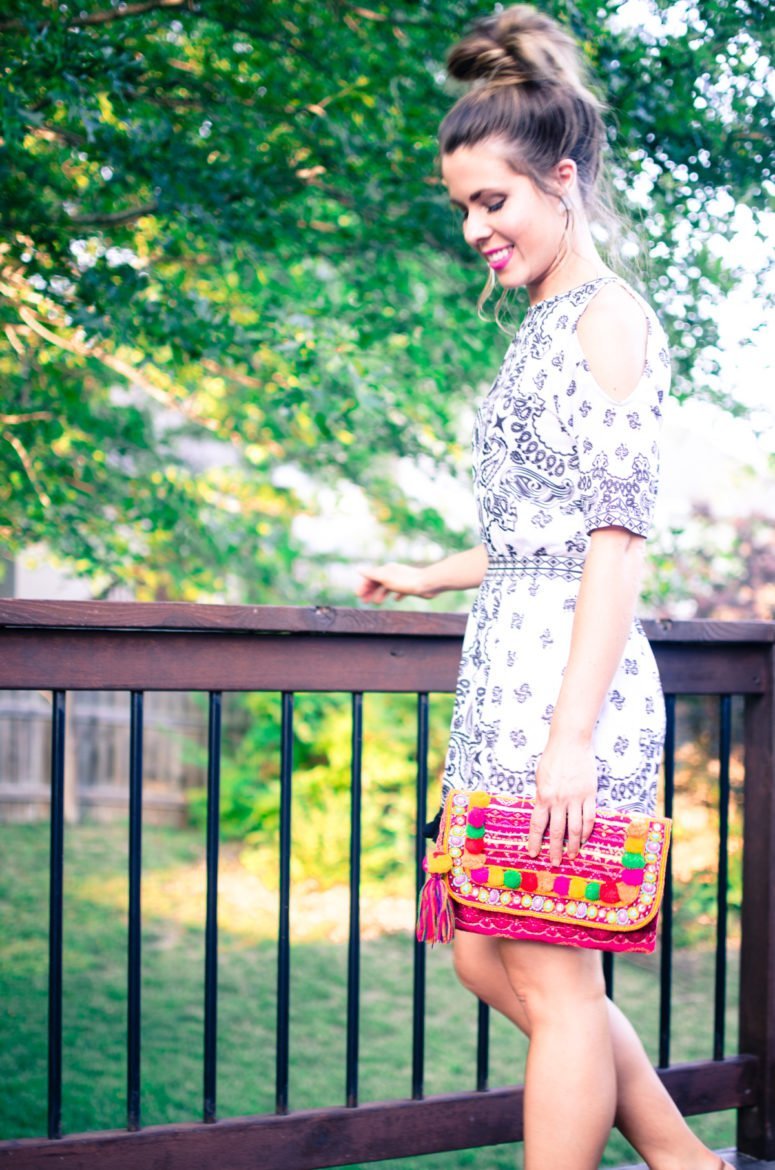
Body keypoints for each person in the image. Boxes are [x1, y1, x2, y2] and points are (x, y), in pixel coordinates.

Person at [356, 7, 733, 1170]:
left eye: (493, 201)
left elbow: (613, 550)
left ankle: (661, 1161)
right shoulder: (539, 323)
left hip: (567, 702)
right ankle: (679, 1156)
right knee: (487, 951)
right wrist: (426, 572)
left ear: (559, 181)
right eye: (463, 205)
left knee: (556, 976)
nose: (475, 227)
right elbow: (534, 534)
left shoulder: (607, 321)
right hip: (506, 687)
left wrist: (568, 744)